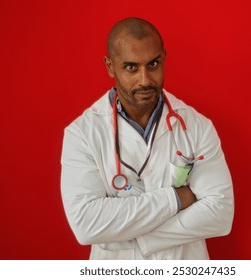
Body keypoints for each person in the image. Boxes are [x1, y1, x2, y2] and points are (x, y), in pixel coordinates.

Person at [61, 17, 234, 260]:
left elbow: (220, 214)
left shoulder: (197, 126)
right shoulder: (82, 134)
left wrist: (137, 237)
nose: (145, 79)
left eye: (153, 64)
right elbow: (86, 225)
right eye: (131, 67)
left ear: (164, 58)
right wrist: (176, 197)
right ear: (110, 67)